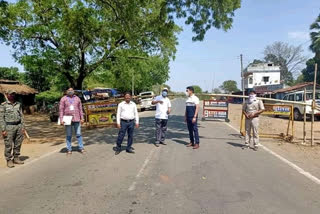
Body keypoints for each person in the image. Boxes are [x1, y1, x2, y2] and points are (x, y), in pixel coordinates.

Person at [0, 90, 25, 168]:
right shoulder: (3, 105)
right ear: (7, 95)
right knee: (8, 144)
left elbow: (21, 116)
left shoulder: (18, 104)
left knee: (18, 143)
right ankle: (9, 160)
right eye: (10, 94)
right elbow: (1, 118)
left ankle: (16, 158)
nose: (12, 96)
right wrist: (3, 130)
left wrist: (23, 127)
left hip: (18, 126)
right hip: (8, 127)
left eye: (13, 94)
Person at [59, 88, 85, 154]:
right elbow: (61, 110)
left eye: (71, 90)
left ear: (73, 91)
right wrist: (61, 119)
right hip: (67, 119)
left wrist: (82, 118)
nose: (70, 91)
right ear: (66, 91)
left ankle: (81, 148)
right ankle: (69, 149)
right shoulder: (63, 99)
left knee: (78, 134)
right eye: (68, 90)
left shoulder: (77, 98)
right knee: (68, 135)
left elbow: (80, 109)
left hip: (77, 118)